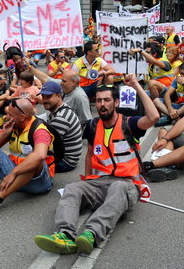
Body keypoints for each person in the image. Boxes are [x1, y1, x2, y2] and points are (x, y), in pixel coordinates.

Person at [33, 75, 159, 254]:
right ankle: (65, 235)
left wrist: (137, 86)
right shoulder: (93, 125)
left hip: (127, 184)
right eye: (99, 100)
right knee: (73, 188)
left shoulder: (128, 123)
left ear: (115, 103)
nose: (102, 104)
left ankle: (91, 234)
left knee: (118, 188)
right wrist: (86, 181)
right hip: (100, 182)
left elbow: (153, 116)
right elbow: (90, 155)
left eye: (107, 100)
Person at [39, 81, 83, 173]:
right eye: (43, 97)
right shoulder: (63, 108)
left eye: (49, 96)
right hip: (69, 156)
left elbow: (46, 146)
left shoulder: (60, 118)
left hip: (66, 162)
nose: (45, 100)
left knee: (28, 162)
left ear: (59, 96)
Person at [29, 67, 93, 128]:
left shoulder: (80, 97)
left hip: (66, 128)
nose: (61, 83)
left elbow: (87, 122)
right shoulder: (66, 85)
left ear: (74, 82)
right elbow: (46, 79)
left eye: (64, 81)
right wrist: (30, 68)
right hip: (55, 118)